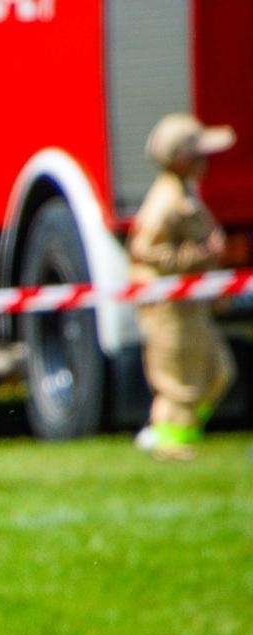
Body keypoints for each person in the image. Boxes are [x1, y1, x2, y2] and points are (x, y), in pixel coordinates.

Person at [128, 113, 237, 462]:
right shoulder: (166, 201)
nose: (207, 162)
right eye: (200, 154)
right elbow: (145, 250)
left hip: (190, 305)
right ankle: (169, 443)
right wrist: (200, 253)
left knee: (218, 371)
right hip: (169, 306)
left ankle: (183, 433)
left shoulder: (182, 194)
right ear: (181, 158)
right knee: (177, 381)